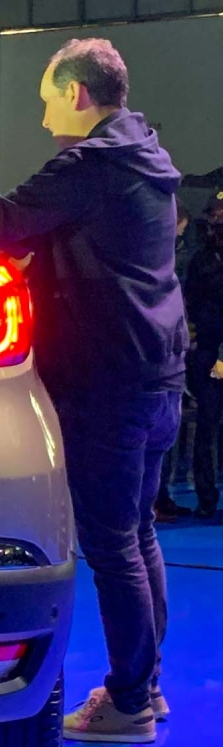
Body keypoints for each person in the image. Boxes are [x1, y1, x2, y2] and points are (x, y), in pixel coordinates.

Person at [0, 38, 187, 743]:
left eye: (47, 100)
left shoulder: (90, 166)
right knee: (137, 533)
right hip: (158, 375)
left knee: (112, 545)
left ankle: (128, 703)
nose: (43, 117)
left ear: (77, 94)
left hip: (106, 382)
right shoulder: (144, 158)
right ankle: (144, 685)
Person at [153, 200, 196, 522]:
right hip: (163, 368)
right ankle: (154, 501)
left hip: (169, 367)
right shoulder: (161, 265)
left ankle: (159, 499)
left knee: (161, 444)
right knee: (155, 444)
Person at [184, 193, 223, 521]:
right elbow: (192, 303)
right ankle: (207, 499)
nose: (216, 221)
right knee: (207, 428)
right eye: (214, 215)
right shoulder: (202, 260)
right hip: (209, 355)